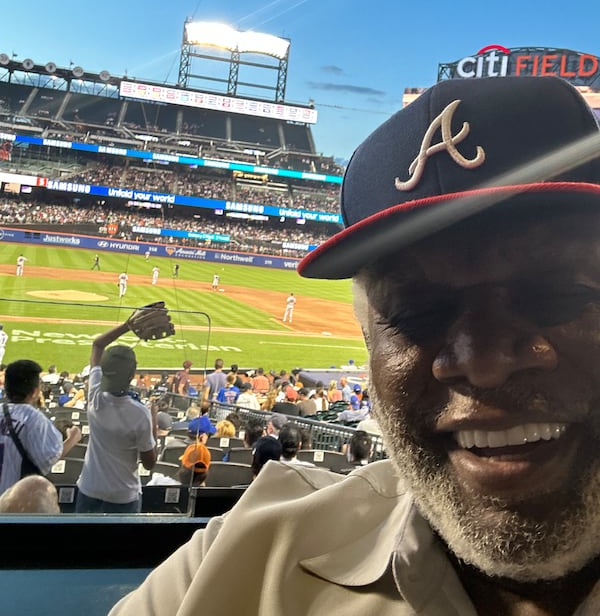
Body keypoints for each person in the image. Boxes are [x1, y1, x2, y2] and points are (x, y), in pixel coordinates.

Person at [110, 71, 600, 614]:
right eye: (417, 310)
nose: (481, 363)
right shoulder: (235, 560)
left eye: (558, 291)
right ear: (369, 342)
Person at [75, 303, 173, 513]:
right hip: (123, 497)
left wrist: (128, 325)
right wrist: (153, 418)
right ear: (131, 376)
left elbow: (97, 345)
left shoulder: (95, 396)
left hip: (89, 489)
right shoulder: (140, 413)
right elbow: (150, 463)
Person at [0, 359, 81, 494]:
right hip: (12, 501)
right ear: (35, 392)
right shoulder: (34, 418)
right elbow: (50, 458)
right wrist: (73, 438)